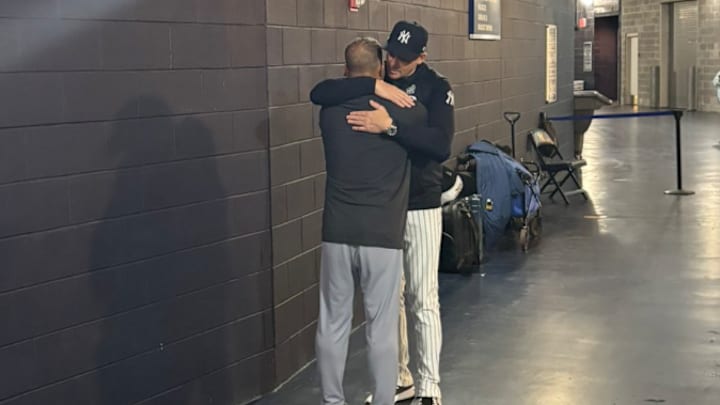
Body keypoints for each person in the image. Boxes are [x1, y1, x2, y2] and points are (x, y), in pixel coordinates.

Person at [311, 21, 454, 405]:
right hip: (382, 228)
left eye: (403, 58)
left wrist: (384, 119)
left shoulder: (331, 110)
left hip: (370, 219)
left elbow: (441, 144)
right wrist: (378, 93)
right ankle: (394, 389)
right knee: (384, 321)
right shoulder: (406, 108)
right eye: (389, 55)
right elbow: (323, 89)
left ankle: (424, 388)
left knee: (409, 303)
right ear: (379, 67)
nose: (394, 62)